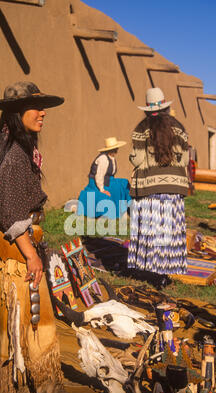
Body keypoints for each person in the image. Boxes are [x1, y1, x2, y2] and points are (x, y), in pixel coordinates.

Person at [0, 81, 87, 393]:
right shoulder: (13, 154)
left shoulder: (1, 147)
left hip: (3, 246)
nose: (43, 113)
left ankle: (19, 392)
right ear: (15, 113)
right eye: (36, 107)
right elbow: (9, 209)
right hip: (16, 252)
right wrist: (30, 252)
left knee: (15, 323)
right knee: (35, 321)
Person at [127, 87, 189, 289]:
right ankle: (164, 272)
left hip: (150, 187)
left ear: (147, 109)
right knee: (168, 229)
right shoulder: (179, 127)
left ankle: (151, 269)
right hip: (173, 186)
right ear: (166, 106)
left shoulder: (141, 128)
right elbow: (185, 159)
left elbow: (137, 160)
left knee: (152, 228)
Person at [77, 137, 132, 219]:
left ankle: (130, 208)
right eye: (115, 149)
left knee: (124, 183)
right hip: (96, 183)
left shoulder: (112, 158)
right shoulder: (103, 159)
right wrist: (102, 190)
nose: (117, 150)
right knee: (110, 193)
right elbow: (99, 176)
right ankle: (117, 211)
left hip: (109, 180)